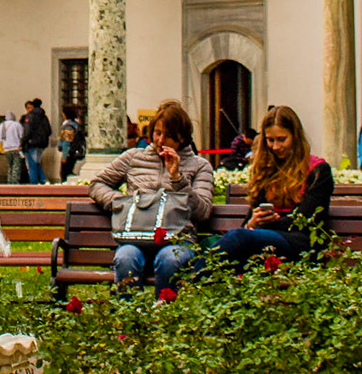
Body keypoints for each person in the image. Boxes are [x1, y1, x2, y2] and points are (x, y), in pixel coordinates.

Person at [89, 100, 214, 295]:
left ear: (182, 138)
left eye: (169, 136)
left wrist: (178, 179)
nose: (160, 140)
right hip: (135, 237)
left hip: (177, 240)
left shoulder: (199, 166)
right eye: (157, 133)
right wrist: (123, 203)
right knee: (125, 258)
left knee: (170, 260)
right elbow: (97, 184)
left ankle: (163, 315)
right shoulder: (133, 158)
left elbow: (203, 212)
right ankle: (129, 317)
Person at [218, 105, 334, 268]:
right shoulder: (266, 169)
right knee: (220, 243)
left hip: (301, 244)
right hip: (264, 241)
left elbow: (306, 220)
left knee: (237, 239)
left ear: (295, 137)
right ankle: (190, 288)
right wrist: (252, 223)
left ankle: (190, 287)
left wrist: (265, 224)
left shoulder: (318, 170)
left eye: (281, 139)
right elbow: (249, 220)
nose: (275, 147)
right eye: (270, 140)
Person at [20, 97, 52, 185]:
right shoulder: (44, 117)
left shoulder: (30, 116)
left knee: (32, 164)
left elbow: (27, 131)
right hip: (42, 144)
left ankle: (34, 183)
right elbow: (49, 131)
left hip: (31, 143)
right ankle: (43, 179)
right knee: (37, 162)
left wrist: (22, 143)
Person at [0, 110, 24, 182]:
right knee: (16, 166)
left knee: (10, 166)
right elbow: (21, 136)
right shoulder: (17, 125)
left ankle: (9, 180)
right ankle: (14, 181)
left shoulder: (2, 125)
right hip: (16, 148)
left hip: (6, 149)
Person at [59, 106, 85, 177]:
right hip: (73, 152)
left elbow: (66, 142)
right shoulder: (75, 124)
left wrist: (64, 156)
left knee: (65, 173)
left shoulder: (68, 127)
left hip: (69, 153)